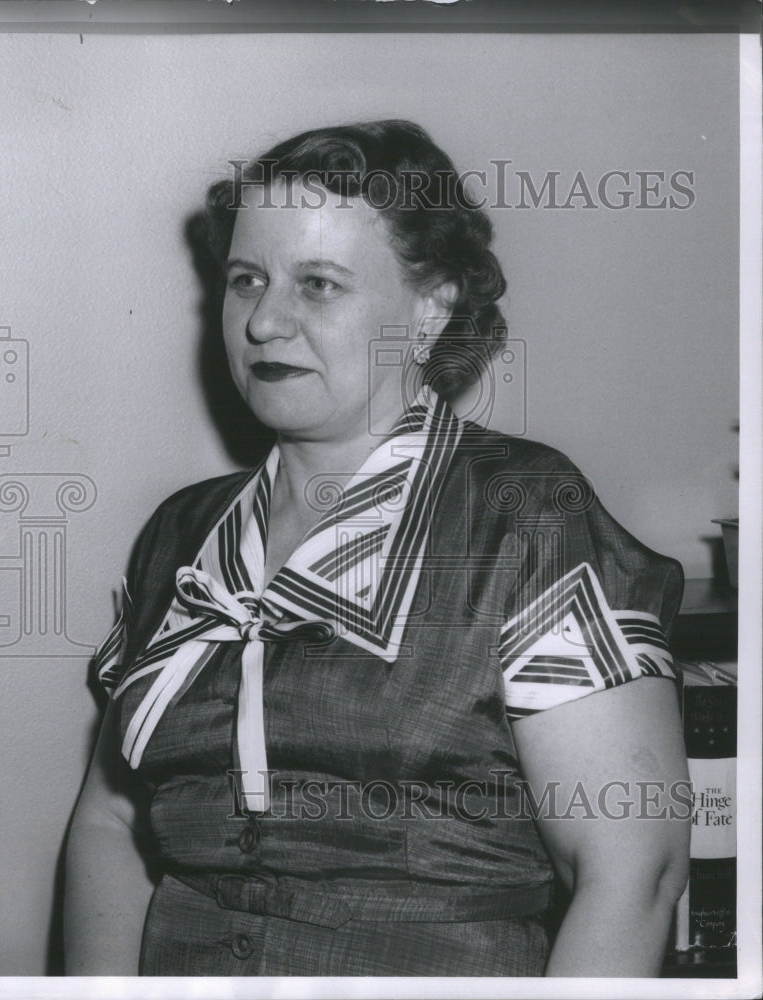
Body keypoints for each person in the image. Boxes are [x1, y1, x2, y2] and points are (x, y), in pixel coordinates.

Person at [64, 120, 690, 977]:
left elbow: (633, 875)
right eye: (246, 280)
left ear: (432, 307)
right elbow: (112, 820)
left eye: (318, 284)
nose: (264, 322)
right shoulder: (180, 535)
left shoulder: (525, 514)